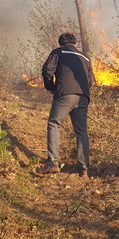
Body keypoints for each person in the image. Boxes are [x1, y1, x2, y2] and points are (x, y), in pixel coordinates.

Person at [37, 33, 94, 178]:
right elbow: (90, 81)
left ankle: (53, 162)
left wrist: (51, 86)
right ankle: (84, 168)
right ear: (75, 43)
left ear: (61, 43)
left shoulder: (59, 52)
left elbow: (47, 70)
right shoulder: (85, 58)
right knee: (81, 131)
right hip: (83, 97)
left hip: (65, 94)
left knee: (54, 123)